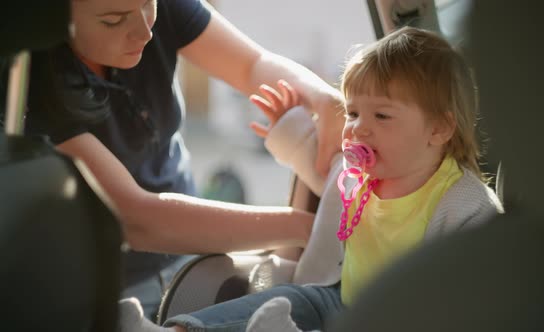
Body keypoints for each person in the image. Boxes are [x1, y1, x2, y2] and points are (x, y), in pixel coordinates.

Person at [118, 26, 503, 332]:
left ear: (438, 129)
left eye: (381, 116)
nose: (358, 130)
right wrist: (288, 125)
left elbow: (479, 283)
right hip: (337, 297)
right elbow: (314, 161)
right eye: (352, 113)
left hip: (400, 320)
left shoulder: (462, 201)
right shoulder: (357, 175)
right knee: (284, 298)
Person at [20, 0, 344, 320]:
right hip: (107, 286)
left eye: (149, 4)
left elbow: (252, 65)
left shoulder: (160, 9)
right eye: (113, 20)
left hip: (193, 251)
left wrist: (324, 98)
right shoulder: (26, 86)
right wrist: (308, 226)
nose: (145, 31)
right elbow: (138, 218)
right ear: (53, 18)